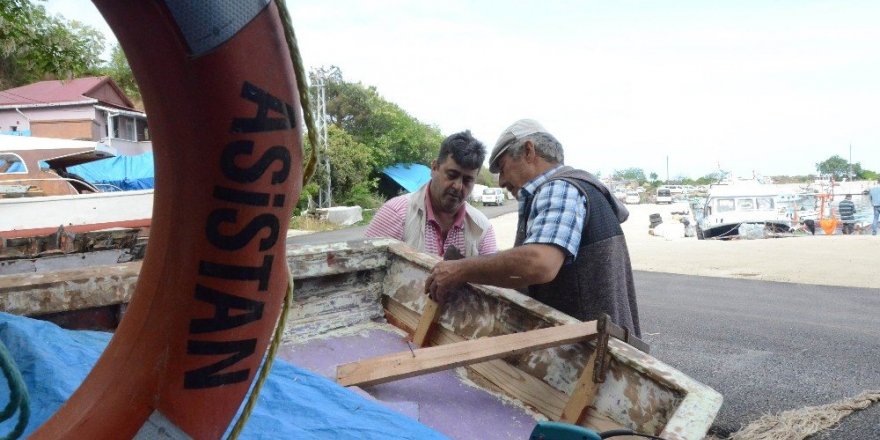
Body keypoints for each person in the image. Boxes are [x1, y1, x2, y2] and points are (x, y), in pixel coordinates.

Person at [425, 119, 640, 336]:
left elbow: (539, 263)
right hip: (603, 344)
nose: (500, 181)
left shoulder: (560, 188)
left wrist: (460, 270)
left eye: (502, 166)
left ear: (529, 151)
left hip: (593, 350)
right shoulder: (577, 187)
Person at [365, 130, 497, 257]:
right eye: (451, 175)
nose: (458, 186)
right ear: (434, 168)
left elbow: (492, 277)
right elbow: (363, 271)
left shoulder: (481, 227)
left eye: (468, 180)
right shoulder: (396, 214)